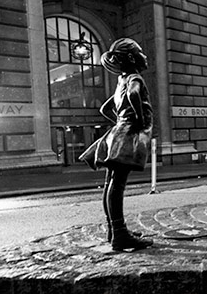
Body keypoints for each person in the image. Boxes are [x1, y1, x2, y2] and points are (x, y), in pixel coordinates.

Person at [79, 38, 153, 252]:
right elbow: (133, 94)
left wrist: (120, 122)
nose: (145, 56)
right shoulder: (135, 78)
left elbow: (105, 108)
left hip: (118, 132)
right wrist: (137, 119)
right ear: (131, 57)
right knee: (117, 184)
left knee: (111, 182)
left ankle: (113, 230)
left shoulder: (122, 79)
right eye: (141, 52)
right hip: (127, 134)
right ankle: (120, 234)